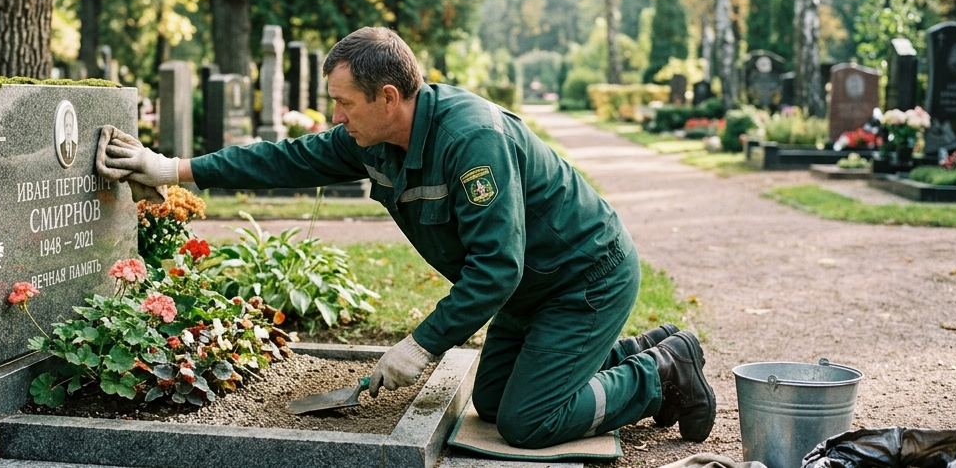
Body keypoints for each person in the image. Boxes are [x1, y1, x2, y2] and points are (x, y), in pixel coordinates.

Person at [98, 27, 715, 449]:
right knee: (495, 403)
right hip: (533, 292)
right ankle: (641, 348)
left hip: (585, 279)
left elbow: (496, 268)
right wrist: (170, 169)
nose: (335, 116)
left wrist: (420, 346)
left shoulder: (470, 141)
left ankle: (663, 371)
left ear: (388, 96)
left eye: (343, 103)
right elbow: (282, 160)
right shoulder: (371, 137)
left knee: (530, 422)